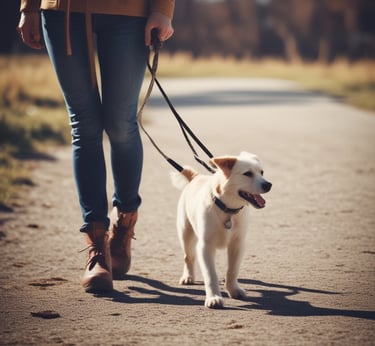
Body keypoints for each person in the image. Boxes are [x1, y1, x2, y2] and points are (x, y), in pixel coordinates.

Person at [17, 0, 175, 293]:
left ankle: (125, 220)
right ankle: (96, 245)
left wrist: (163, 9)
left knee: (120, 123)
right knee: (85, 125)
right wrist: (28, 8)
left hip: (129, 12)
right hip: (63, 11)